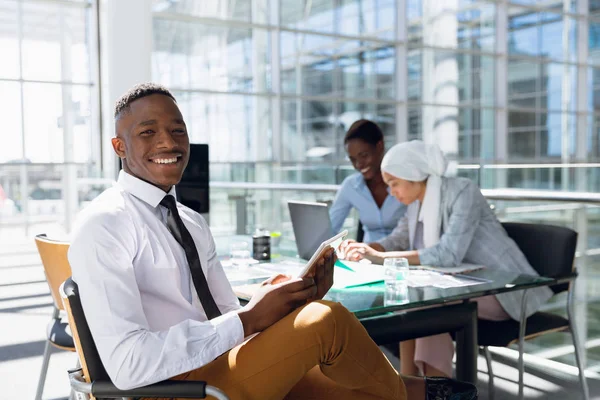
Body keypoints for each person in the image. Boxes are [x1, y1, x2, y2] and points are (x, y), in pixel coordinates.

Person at [68, 83, 478, 400]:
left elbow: (224, 313)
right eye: (148, 132)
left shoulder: (191, 221)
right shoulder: (104, 224)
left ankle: (415, 392)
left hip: (217, 365)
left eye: (178, 130)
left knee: (349, 375)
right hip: (173, 389)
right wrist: (249, 319)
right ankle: (414, 392)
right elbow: (126, 365)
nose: (169, 142)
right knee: (327, 321)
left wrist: (274, 301)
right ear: (119, 147)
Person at [340, 140, 553, 379]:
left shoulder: (463, 191)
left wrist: (380, 257)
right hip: (461, 287)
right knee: (416, 304)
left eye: (395, 183)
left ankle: (434, 388)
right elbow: (398, 239)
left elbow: (448, 254)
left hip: (505, 290)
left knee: (425, 306)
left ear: (413, 175)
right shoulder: (416, 204)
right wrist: (365, 248)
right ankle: (409, 386)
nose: (392, 192)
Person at [329, 120, 406, 242]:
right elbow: (330, 228)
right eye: (353, 159)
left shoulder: (406, 181)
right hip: (365, 258)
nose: (359, 164)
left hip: (404, 258)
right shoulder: (351, 186)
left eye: (364, 155)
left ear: (379, 146)